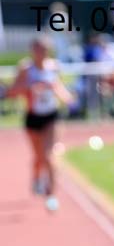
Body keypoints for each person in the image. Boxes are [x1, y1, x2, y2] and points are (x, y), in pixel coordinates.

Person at [5, 37, 74, 211]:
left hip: (51, 116)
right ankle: (36, 177)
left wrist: (67, 98)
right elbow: (12, 92)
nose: (41, 53)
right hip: (33, 117)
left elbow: (60, 88)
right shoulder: (26, 69)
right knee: (38, 157)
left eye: (44, 50)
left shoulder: (54, 67)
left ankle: (50, 194)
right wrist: (30, 87)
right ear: (32, 50)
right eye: (38, 49)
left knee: (50, 156)